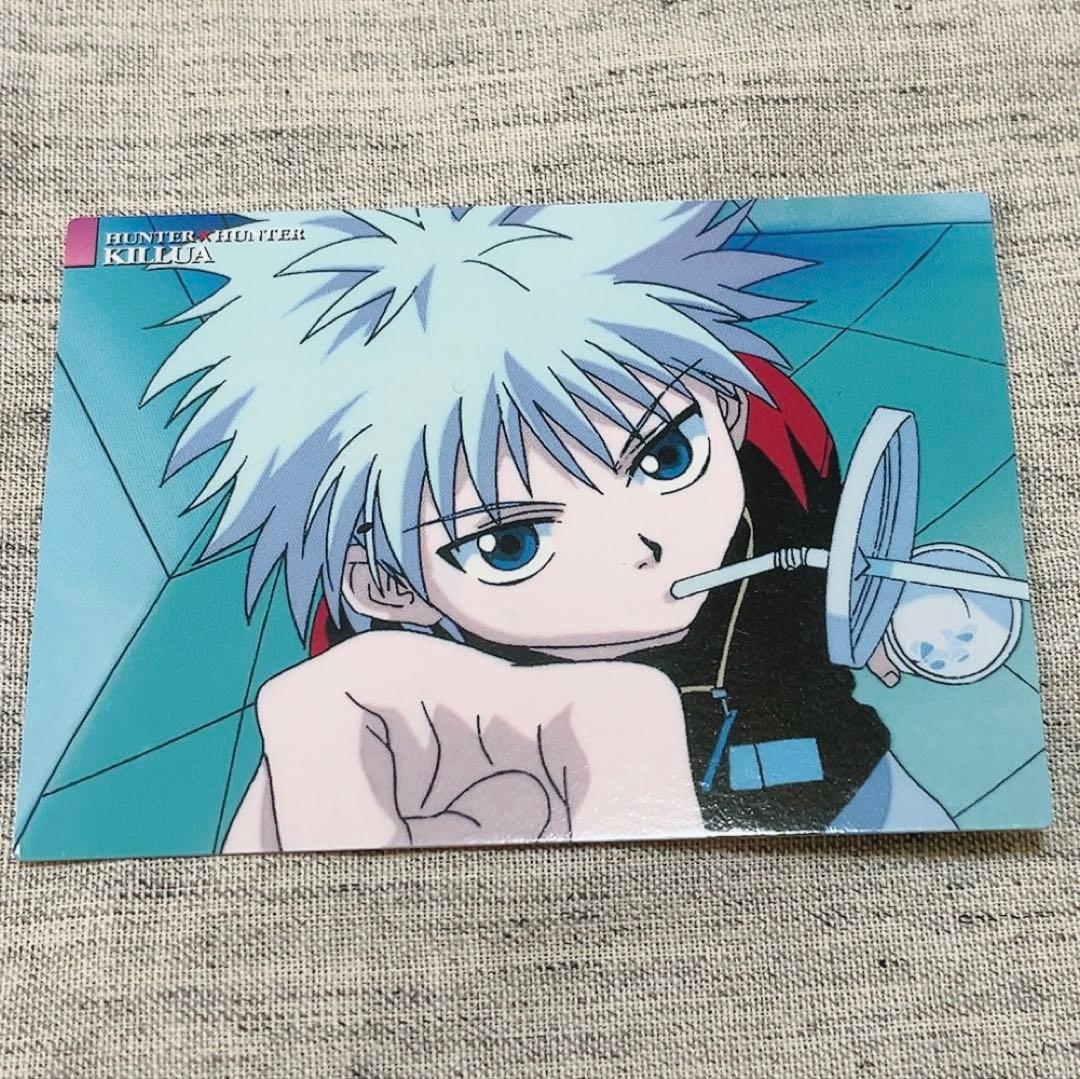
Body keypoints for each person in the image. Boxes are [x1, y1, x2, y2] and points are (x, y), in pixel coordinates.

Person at [142, 200, 952, 852]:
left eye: (666, 455)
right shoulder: (420, 698)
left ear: (725, 403)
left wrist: (883, 614)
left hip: (853, 803)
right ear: (387, 584)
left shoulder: (780, 498)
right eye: (511, 544)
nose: (641, 545)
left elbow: (864, 570)